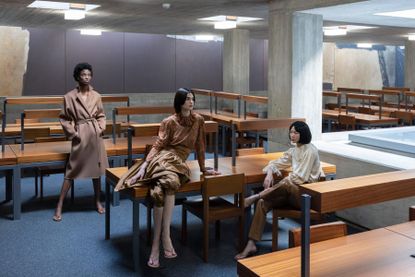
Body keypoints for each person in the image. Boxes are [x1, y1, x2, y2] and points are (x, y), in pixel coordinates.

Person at [114, 88, 219, 268]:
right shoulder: (168, 122)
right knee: (170, 182)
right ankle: (165, 236)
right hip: (163, 158)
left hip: (179, 161)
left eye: (193, 99)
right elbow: (158, 145)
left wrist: (203, 168)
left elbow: (200, 146)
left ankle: (156, 245)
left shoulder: (199, 120)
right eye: (187, 99)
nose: (191, 102)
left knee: (158, 192)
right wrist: (145, 165)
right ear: (179, 102)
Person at [235, 121, 323, 259]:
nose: (292, 135)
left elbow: (299, 178)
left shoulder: (310, 150)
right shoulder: (294, 150)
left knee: (287, 183)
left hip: (307, 197)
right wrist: (270, 173)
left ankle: (256, 196)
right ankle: (251, 243)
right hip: (293, 194)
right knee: (263, 203)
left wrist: (275, 184)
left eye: (296, 132)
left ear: (303, 134)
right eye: (291, 132)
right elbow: (274, 163)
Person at [53, 62, 109, 222]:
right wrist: (74, 133)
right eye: (83, 74)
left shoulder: (97, 95)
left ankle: (97, 201)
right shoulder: (69, 96)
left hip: (95, 135)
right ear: (77, 77)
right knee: (71, 170)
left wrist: (100, 128)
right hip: (80, 135)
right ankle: (59, 204)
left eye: (89, 74)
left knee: (97, 170)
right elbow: (64, 118)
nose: (87, 77)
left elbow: (101, 115)